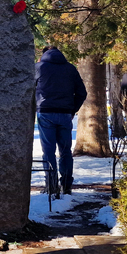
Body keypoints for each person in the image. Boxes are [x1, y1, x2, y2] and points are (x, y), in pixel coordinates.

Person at [34, 45, 87, 195]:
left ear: (44, 54)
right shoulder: (70, 69)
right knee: (65, 151)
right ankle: (67, 185)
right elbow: (82, 93)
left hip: (45, 112)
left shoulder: (39, 67)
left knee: (48, 151)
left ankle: (51, 186)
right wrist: (72, 110)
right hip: (65, 114)